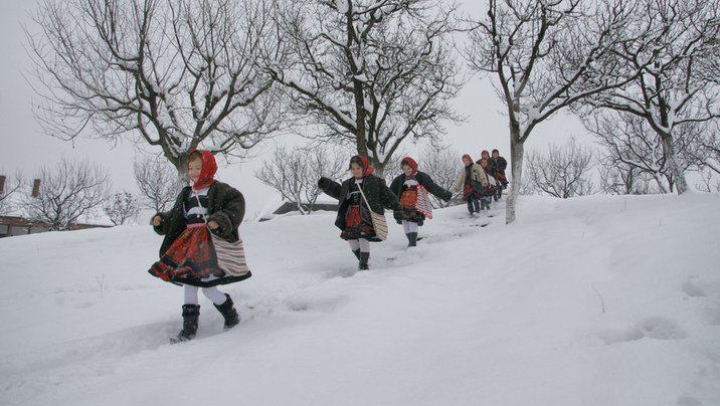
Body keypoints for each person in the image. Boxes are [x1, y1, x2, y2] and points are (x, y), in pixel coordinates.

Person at [149, 150, 250, 343]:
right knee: (190, 284)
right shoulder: (187, 193)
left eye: (198, 167)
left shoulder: (219, 189)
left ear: (208, 167)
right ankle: (189, 329)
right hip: (189, 244)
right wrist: (162, 219)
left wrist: (220, 220)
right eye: (191, 168)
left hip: (209, 245)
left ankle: (230, 314)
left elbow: (236, 204)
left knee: (208, 289)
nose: (194, 172)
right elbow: (176, 215)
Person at [318, 155, 402, 271]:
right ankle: (366, 260)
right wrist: (328, 185)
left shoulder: (374, 182)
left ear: (364, 168)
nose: (355, 171)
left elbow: (387, 195)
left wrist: (397, 208)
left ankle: (364, 265)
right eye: (352, 168)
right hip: (352, 216)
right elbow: (340, 193)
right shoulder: (348, 183)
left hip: (366, 215)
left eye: (358, 168)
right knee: (351, 240)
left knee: (363, 237)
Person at [389, 157, 453, 247]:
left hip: (416, 203)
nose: (406, 171)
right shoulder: (400, 179)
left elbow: (432, 186)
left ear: (413, 167)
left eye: (408, 168)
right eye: (404, 169)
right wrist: (385, 201)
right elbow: (390, 191)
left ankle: (412, 242)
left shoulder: (421, 176)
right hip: (402, 204)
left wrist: (445, 194)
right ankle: (410, 241)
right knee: (405, 221)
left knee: (412, 220)